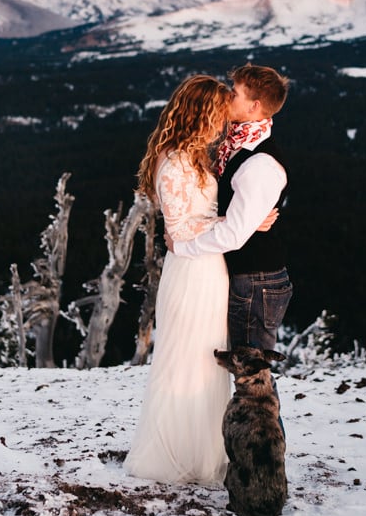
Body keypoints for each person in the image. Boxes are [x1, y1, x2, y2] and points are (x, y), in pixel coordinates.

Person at [123, 75, 234, 486]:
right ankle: (173, 456)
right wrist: (239, 224)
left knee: (208, 362)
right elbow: (180, 228)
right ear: (202, 114)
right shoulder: (172, 162)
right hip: (190, 271)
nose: (223, 123)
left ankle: (204, 452)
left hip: (210, 267)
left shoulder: (197, 157)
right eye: (219, 114)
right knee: (187, 360)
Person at [170, 63, 292, 352]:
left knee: (250, 371)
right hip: (246, 276)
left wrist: (181, 247)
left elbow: (234, 235)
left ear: (254, 106)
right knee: (243, 366)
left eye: (234, 93)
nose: (226, 96)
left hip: (256, 280)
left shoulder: (259, 163)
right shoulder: (235, 144)